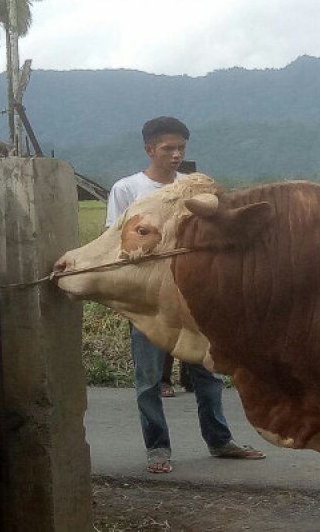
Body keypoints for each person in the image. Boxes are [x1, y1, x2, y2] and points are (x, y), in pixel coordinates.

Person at [106, 116, 266, 473]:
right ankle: (158, 449)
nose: (176, 155)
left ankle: (220, 440)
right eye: (168, 148)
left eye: (181, 148)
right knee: (148, 379)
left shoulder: (193, 188)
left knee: (208, 372)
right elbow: (115, 243)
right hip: (147, 301)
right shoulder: (127, 190)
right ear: (149, 149)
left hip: (192, 298)